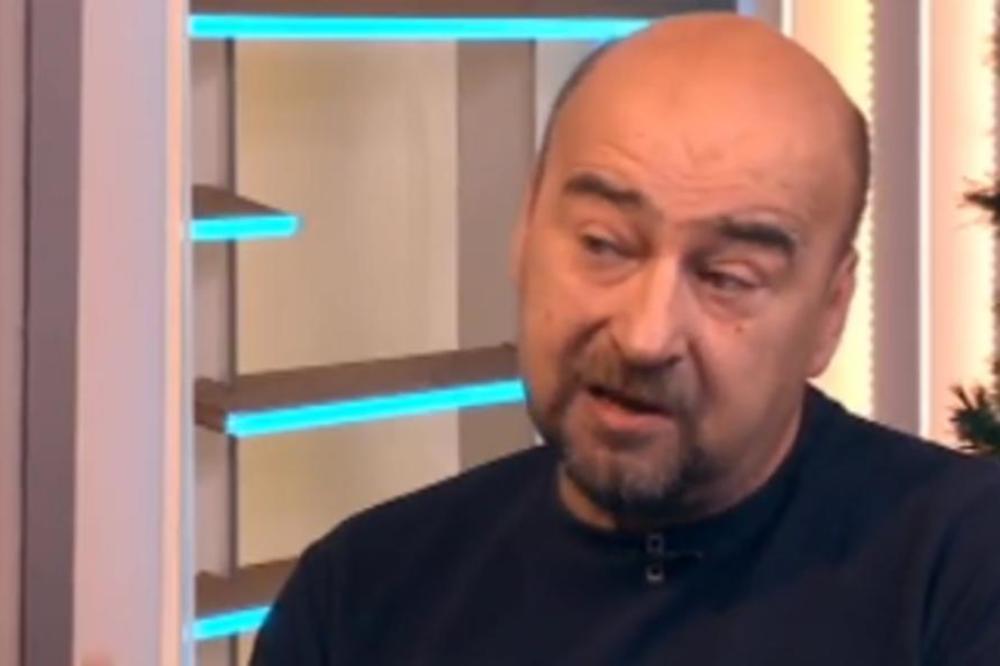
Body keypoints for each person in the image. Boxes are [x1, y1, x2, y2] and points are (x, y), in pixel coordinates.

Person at [250, 13, 1000, 665]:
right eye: (604, 244)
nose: (645, 337)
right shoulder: (360, 594)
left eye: (728, 277)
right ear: (525, 229)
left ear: (831, 310)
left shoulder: (962, 571)